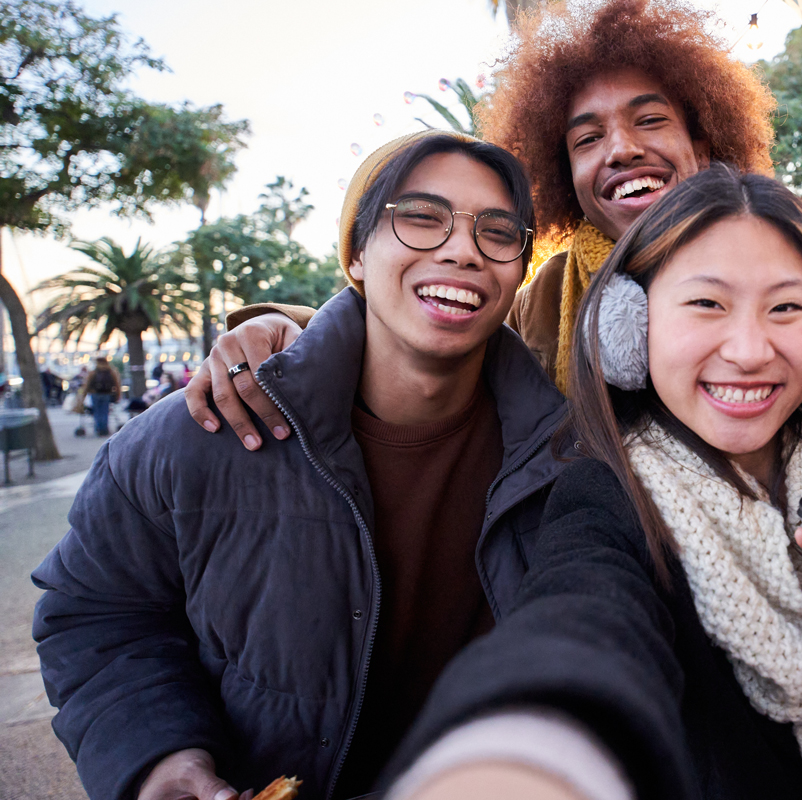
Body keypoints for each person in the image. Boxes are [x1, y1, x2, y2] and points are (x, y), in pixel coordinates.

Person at [375, 167, 802, 800]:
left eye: (785, 308)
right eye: (707, 303)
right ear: (632, 326)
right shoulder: (606, 492)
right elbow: (581, 617)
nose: (750, 350)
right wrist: (529, 754)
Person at [182, 0, 802, 452]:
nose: (621, 150)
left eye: (650, 121)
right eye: (586, 138)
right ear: (562, 176)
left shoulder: (800, 248)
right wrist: (280, 332)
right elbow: (422, 331)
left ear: (706, 139)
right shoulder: (540, 301)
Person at [32, 131, 569, 800]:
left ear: (519, 269)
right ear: (356, 254)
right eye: (421, 218)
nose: (462, 250)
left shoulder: (566, 460)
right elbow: (97, 613)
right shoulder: (201, 431)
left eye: (498, 232)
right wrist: (159, 756)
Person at [81, 355, 121, 435]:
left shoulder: (94, 372)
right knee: (105, 411)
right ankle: (104, 429)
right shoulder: (111, 372)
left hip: (95, 394)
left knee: (97, 412)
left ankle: (99, 429)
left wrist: (83, 396)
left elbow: (87, 385)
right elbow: (117, 384)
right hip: (107, 394)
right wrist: (117, 395)